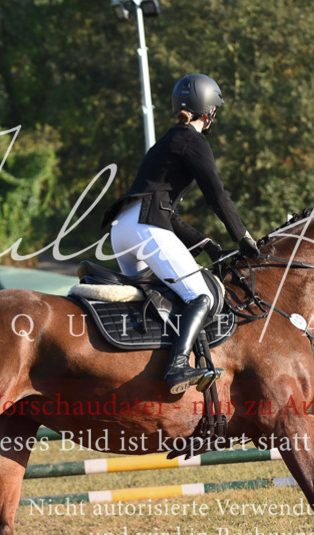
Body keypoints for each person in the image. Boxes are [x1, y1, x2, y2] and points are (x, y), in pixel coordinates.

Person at [103, 73, 261, 395]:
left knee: (160, 297)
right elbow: (217, 195)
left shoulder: (166, 141)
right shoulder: (194, 140)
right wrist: (243, 237)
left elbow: (167, 210)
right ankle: (176, 367)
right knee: (199, 296)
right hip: (146, 229)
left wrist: (207, 245)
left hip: (123, 231)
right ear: (209, 111)